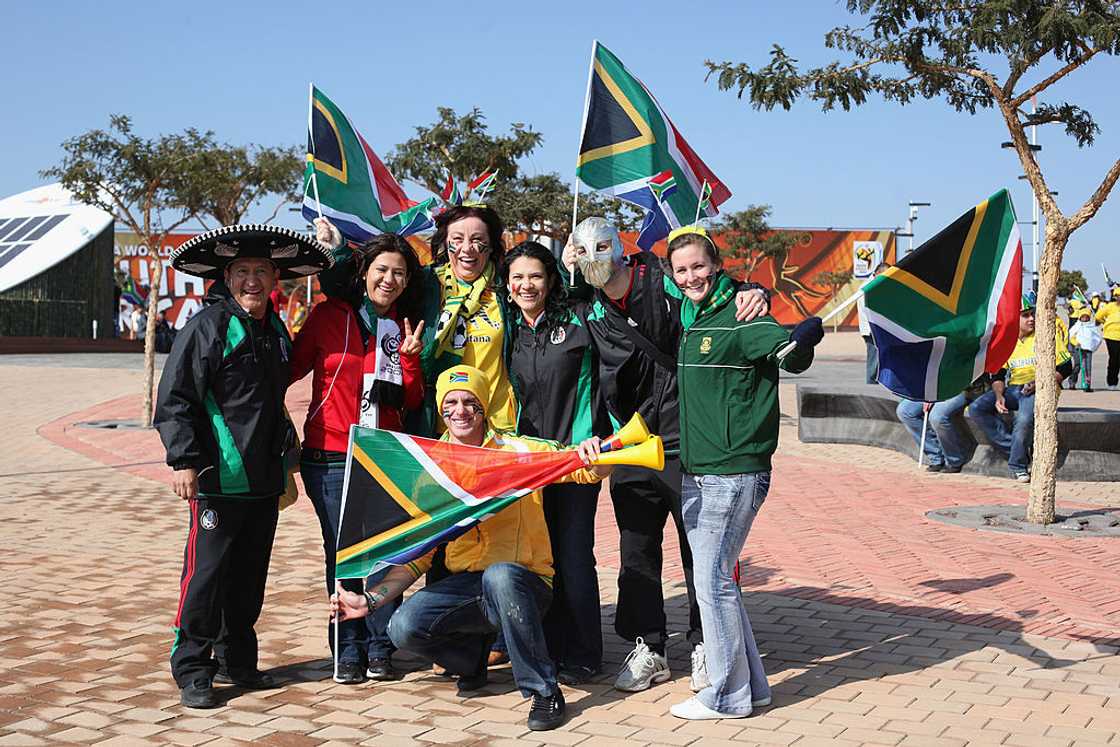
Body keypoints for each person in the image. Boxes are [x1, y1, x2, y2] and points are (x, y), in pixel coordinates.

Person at [330, 365, 609, 731]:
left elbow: (583, 470)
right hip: (468, 590)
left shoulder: (518, 451)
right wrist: (370, 601)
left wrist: (596, 456)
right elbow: (420, 556)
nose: (460, 411)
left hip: (524, 583)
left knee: (501, 576)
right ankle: (469, 660)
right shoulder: (433, 469)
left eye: (469, 402)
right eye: (450, 403)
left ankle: (543, 691)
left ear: (484, 407)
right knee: (402, 627)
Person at [561, 217, 769, 693]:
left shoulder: (663, 281)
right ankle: (647, 646)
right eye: (582, 252)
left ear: (620, 249)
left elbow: (715, 292)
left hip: (688, 441)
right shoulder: (585, 303)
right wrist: (559, 266)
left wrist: (754, 290)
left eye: (601, 249)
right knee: (635, 551)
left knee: (702, 549)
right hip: (631, 443)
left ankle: (704, 643)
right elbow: (535, 301)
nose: (594, 259)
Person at [155, 224, 333, 709]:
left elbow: (271, 400)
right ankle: (193, 667)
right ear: (226, 277)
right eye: (242, 272)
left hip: (262, 479)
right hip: (216, 478)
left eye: (261, 271)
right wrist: (184, 461)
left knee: (249, 575)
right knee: (206, 574)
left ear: (275, 278)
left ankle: (238, 661)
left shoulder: (275, 326)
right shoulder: (207, 327)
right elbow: (175, 400)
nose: (252, 280)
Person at [666, 226, 822, 719]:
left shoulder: (740, 314)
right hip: (700, 471)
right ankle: (751, 686)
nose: (691, 276)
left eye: (698, 266)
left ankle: (725, 696)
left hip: (733, 473)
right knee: (719, 582)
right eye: (682, 269)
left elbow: (787, 356)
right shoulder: (691, 315)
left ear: (716, 266)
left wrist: (804, 338)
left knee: (712, 582)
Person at [290, 233, 425, 684]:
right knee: (343, 555)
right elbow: (288, 367)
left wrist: (409, 360)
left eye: (399, 273)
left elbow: (410, 398)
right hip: (329, 453)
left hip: (385, 455)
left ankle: (381, 646)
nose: (389, 279)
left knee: (385, 553)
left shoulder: (404, 324)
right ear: (364, 273)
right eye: (382, 270)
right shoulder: (330, 316)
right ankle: (347, 649)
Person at [501, 241, 611, 684]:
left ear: (551, 281)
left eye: (535, 276)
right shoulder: (513, 330)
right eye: (518, 278)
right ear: (508, 287)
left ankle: (585, 653)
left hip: (576, 460)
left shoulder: (579, 319)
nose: (527, 285)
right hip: (530, 465)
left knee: (574, 556)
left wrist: (596, 439)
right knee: (537, 557)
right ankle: (548, 645)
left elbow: (604, 302)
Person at [316, 205, 518, 435]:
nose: (467, 248)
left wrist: (568, 270)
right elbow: (353, 291)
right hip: (436, 428)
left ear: (491, 246)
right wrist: (337, 253)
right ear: (445, 243)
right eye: (457, 239)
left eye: (477, 239)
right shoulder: (425, 284)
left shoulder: (508, 290)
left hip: (496, 427)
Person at [969, 292, 1073, 482]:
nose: (1031, 318)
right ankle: (1017, 449)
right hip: (1014, 389)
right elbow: (998, 374)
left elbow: (1067, 367)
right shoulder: (1007, 342)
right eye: (1025, 315)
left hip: (1041, 390)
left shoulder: (1045, 336)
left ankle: (1017, 465)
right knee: (976, 408)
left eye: (1032, 313)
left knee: (1024, 420)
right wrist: (999, 395)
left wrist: (1039, 383)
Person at [894, 375, 988, 474]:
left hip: (961, 388)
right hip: (935, 387)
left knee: (937, 417)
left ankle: (954, 460)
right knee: (905, 411)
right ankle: (936, 456)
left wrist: (933, 397)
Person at [856, 262, 888, 384]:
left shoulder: (875, 285)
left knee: (878, 355)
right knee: (874, 356)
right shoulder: (868, 287)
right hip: (871, 329)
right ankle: (870, 382)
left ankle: (875, 380)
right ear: (877, 273)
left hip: (875, 327)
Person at [1070, 305, 1103, 391]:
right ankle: (1072, 382)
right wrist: (1076, 343)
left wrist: (1093, 346)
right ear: (1080, 317)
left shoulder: (1092, 327)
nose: (1084, 318)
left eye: (1086, 317)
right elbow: (1071, 336)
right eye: (1083, 317)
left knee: (1088, 367)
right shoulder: (1077, 326)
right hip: (1078, 349)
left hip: (1088, 349)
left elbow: (1097, 338)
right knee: (1078, 365)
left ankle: (1087, 385)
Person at [1096, 286, 1120, 390]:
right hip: (1111, 336)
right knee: (1114, 359)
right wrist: (1104, 322)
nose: (1119, 298)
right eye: (1117, 296)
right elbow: (1098, 316)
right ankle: (1112, 382)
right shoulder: (1109, 306)